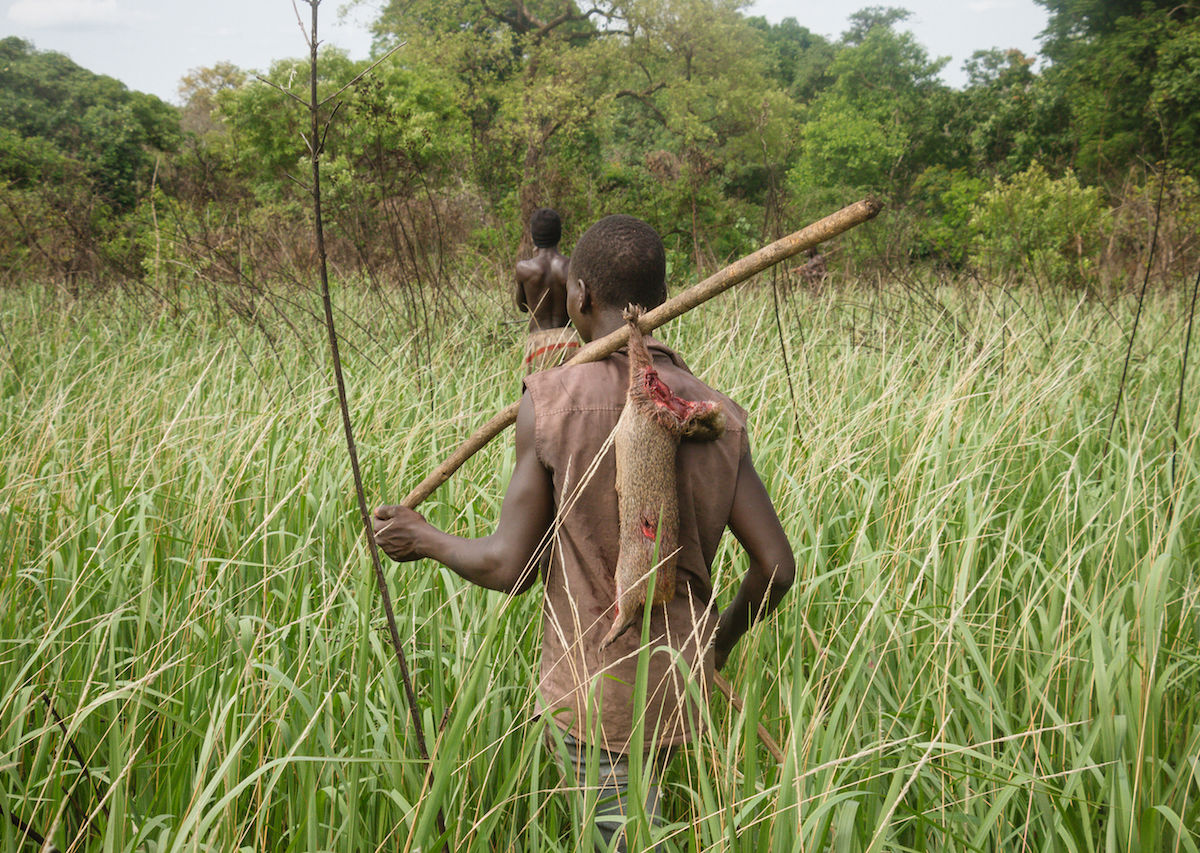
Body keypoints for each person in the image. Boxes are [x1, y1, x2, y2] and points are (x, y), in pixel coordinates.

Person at [373, 214, 795, 850]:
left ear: (581, 295)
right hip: (679, 687)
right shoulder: (715, 414)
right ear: (657, 298)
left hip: (596, 694)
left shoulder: (550, 401)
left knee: (624, 835)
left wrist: (422, 536)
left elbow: (508, 567)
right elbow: (777, 568)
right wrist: (714, 646)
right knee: (640, 821)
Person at [515, 207, 577, 372]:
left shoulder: (524, 269)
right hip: (567, 338)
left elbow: (522, 307)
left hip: (538, 344)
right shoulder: (571, 266)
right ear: (559, 235)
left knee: (537, 396)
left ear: (533, 237)